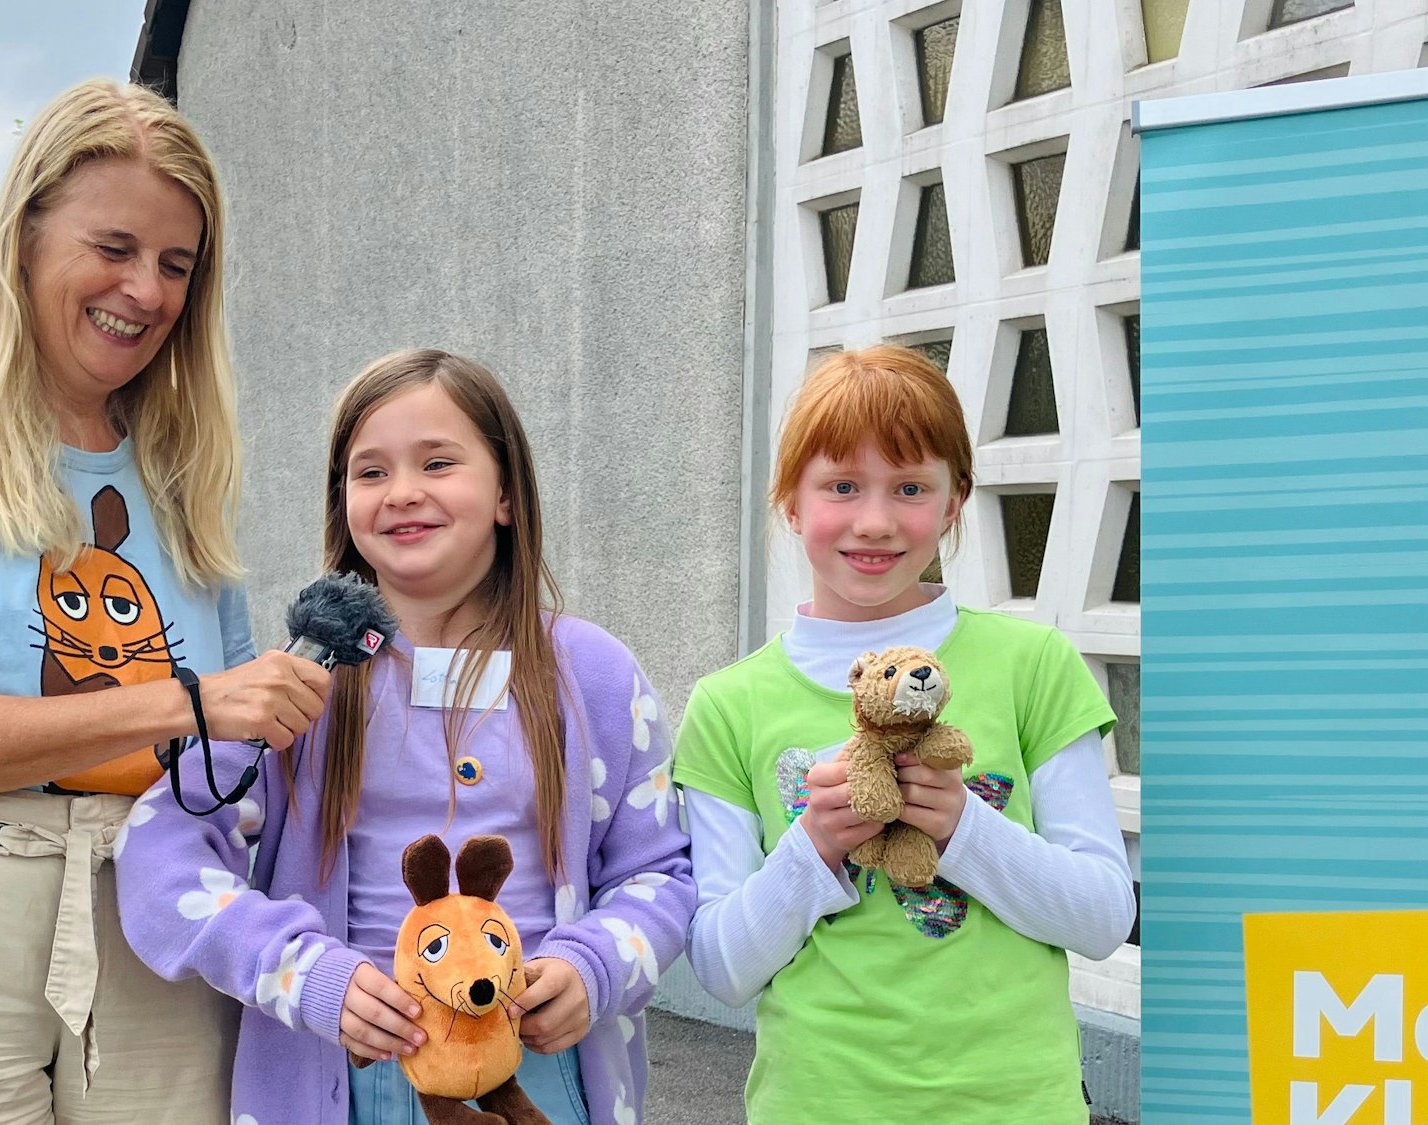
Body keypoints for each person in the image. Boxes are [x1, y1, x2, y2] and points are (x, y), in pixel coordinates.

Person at [0, 77, 332, 1124]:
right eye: (114, 247)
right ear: (26, 235)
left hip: (154, 905)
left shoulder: (179, 476)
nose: (146, 290)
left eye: (177, 265)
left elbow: (227, 763)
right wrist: (190, 702)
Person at [115, 349, 696, 1125]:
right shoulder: (299, 684)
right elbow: (161, 855)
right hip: (343, 1076)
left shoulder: (592, 674)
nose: (404, 493)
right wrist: (303, 973)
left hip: (540, 1072)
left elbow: (660, 873)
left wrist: (593, 967)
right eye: (371, 472)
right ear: (343, 501)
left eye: (438, 461)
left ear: (507, 495)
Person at [673, 346, 1136, 1123]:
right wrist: (814, 844)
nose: (876, 520)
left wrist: (961, 825)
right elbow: (721, 964)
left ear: (955, 501)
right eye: (841, 485)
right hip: (815, 1104)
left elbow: (1101, 916)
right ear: (790, 501)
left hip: (1017, 1103)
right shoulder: (727, 704)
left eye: (911, 486)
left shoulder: (1035, 664)